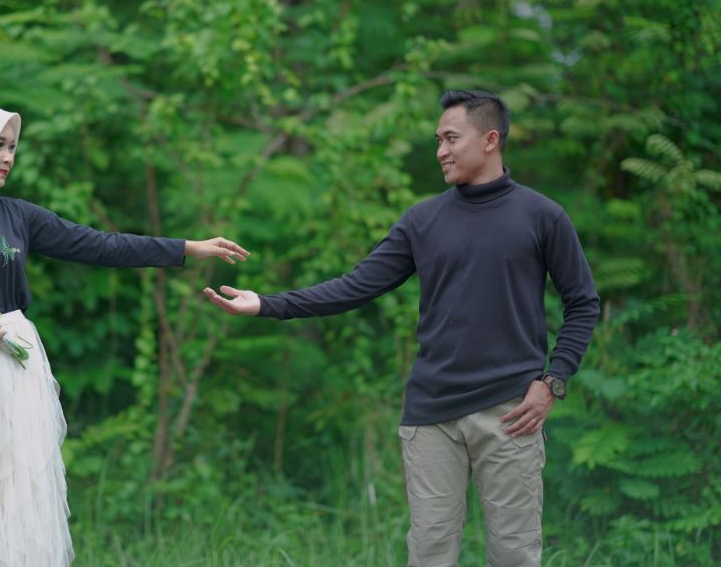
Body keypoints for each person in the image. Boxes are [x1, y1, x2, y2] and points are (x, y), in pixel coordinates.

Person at [203, 90, 599, 567]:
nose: (441, 151)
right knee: (429, 553)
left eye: (451, 138)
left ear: (490, 139)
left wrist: (553, 381)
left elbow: (583, 303)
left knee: (515, 555)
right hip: (431, 415)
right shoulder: (423, 220)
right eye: (438, 140)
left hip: (511, 411)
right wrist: (268, 304)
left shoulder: (542, 216)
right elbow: (355, 287)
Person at [0, 101, 249, 567]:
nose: (8, 156)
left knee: (10, 496)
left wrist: (187, 248)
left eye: (12, 146)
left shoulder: (18, 216)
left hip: (10, 371)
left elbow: (100, 245)